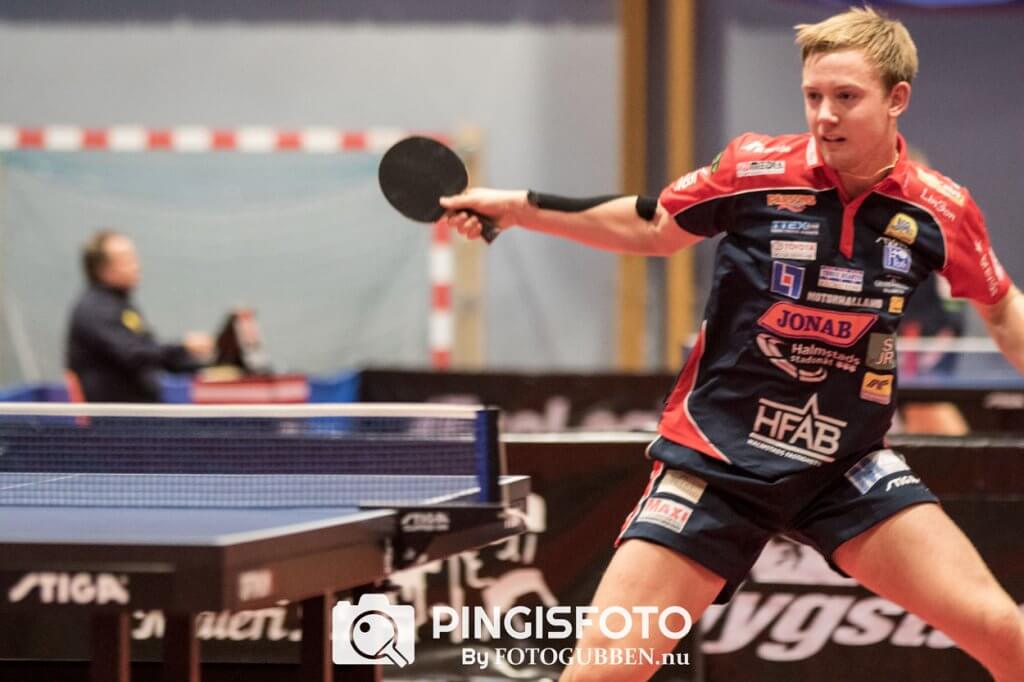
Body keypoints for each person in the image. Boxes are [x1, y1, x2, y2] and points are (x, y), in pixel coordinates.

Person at [441, 7, 1024, 681]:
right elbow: (652, 225)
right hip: (717, 466)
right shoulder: (756, 167)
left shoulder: (940, 208)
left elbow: (1002, 306)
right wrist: (519, 208)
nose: (825, 115)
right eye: (813, 96)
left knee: (1004, 631)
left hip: (845, 468)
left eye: (846, 97)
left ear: (897, 99)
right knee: (601, 674)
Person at [66, 230, 213, 402]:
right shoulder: (95, 309)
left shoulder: (121, 305)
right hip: (117, 414)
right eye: (126, 260)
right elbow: (135, 355)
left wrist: (209, 367)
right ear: (103, 270)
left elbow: (152, 353)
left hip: (142, 408)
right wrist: (184, 347)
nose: (136, 266)